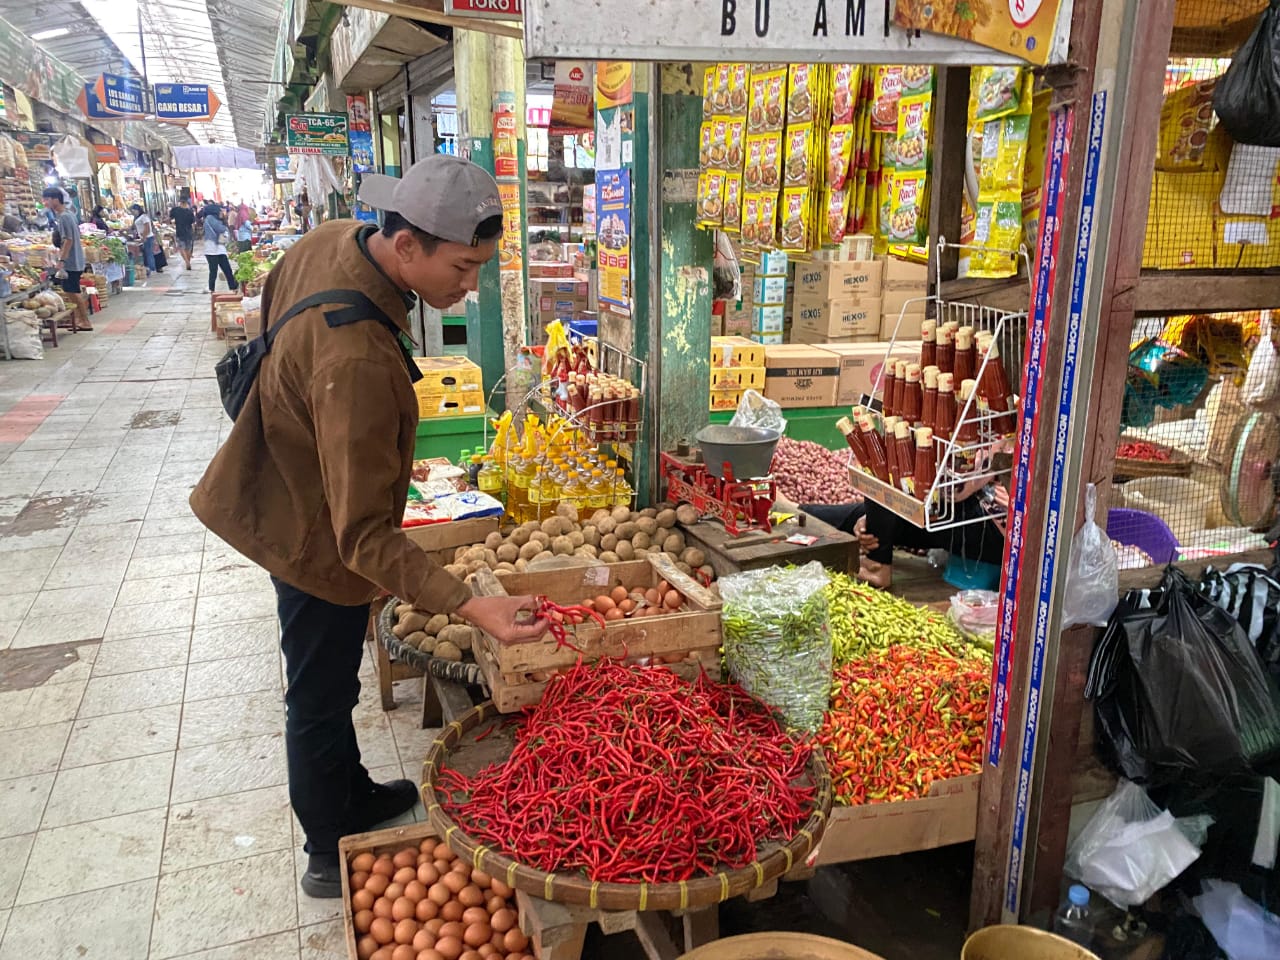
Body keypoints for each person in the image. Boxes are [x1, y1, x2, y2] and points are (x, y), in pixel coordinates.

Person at [189, 155, 547, 899]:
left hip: (301, 468)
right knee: (317, 689)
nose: (469, 286)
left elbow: (274, 320)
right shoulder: (354, 358)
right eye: (462, 266)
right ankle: (327, 844)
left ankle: (349, 789)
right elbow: (360, 542)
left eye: (481, 266)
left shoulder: (334, 238)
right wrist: (470, 603)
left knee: (328, 680)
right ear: (408, 244)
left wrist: (352, 446)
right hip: (303, 524)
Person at [795, 472, 1008, 588]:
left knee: (885, 472)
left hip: (997, 529)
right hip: (984, 516)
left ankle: (878, 565)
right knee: (887, 510)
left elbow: (955, 489)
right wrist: (875, 518)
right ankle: (798, 512)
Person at [42, 186, 90, 331]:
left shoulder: (64, 217)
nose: (46, 203)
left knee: (73, 292)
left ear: (56, 199)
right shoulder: (67, 215)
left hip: (71, 261)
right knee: (71, 291)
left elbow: (68, 240)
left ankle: (85, 321)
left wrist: (61, 260)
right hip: (74, 259)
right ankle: (81, 320)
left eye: (48, 199)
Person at [202, 204, 237, 293]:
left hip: (220, 249)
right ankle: (211, 288)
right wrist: (225, 227)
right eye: (220, 210)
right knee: (213, 271)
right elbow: (220, 229)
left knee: (227, 269)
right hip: (212, 249)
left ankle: (233, 287)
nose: (222, 212)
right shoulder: (210, 218)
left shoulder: (215, 219)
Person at [131, 203, 161, 276]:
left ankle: (152, 269)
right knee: (147, 254)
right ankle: (149, 269)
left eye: (134, 211)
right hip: (144, 238)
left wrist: (143, 237)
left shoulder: (144, 217)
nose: (133, 213)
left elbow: (147, 228)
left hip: (148, 238)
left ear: (138, 210)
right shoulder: (138, 217)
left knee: (149, 254)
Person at [169, 196, 195, 270]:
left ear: (180, 202)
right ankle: (188, 262)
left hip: (180, 232)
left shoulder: (175, 210)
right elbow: (193, 223)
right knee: (188, 249)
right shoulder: (190, 211)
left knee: (182, 248)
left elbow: (170, 218)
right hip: (188, 232)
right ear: (187, 202)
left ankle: (187, 262)